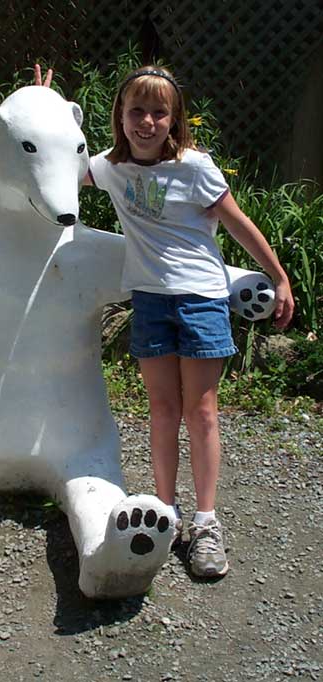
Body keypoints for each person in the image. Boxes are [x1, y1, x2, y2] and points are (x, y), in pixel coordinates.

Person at [34, 63, 294, 578]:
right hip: (150, 302)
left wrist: (279, 277)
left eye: (159, 112)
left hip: (201, 300)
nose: (146, 122)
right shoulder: (111, 167)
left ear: (174, 120)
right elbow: (60, 164)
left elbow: (238, 225)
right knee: (160, 409)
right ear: (120, 117)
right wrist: (44, 109)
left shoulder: (195, 166)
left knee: (201, 411)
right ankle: (166, 513)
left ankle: (205, 522)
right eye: (137, 111)